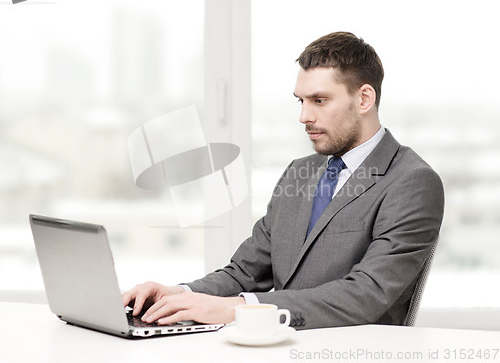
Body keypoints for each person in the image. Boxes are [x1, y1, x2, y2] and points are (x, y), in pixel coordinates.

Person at [122, 31, 445, 330]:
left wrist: (236, 310)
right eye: (300, 101)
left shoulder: (412, 182)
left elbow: (365, 295)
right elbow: (247, 271)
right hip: (279, 347)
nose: (304, 117)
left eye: (319, 101)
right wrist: (177, 294)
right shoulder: (299, 171)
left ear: (363, 100)